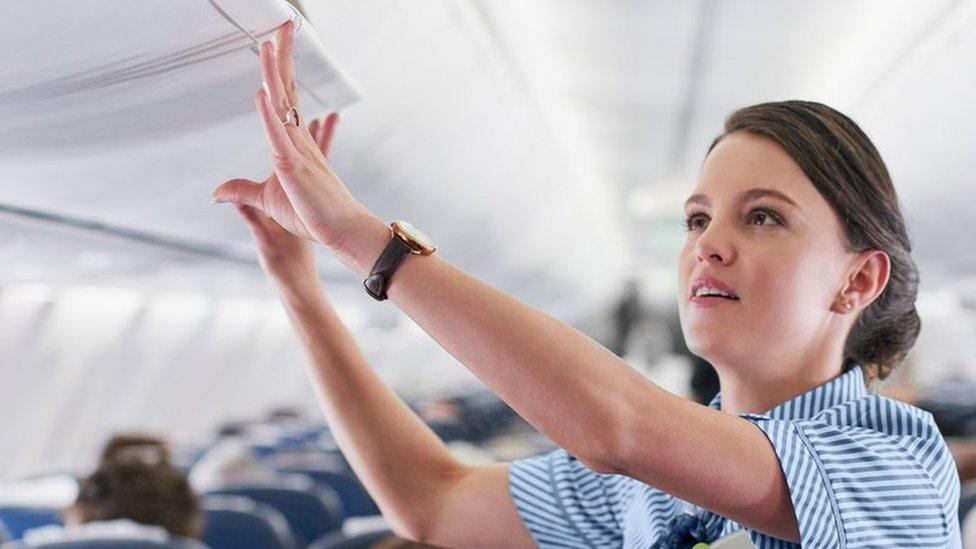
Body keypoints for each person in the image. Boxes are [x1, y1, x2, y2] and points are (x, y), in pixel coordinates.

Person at [212, 21, 961, 547]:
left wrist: (367, 242)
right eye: (696, 220)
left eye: (763, 217)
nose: (709, 246)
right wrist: (301, 288)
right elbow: (430, 500)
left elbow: (620, 427)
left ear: (857, 279)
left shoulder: (896, 467)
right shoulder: (656, 486)